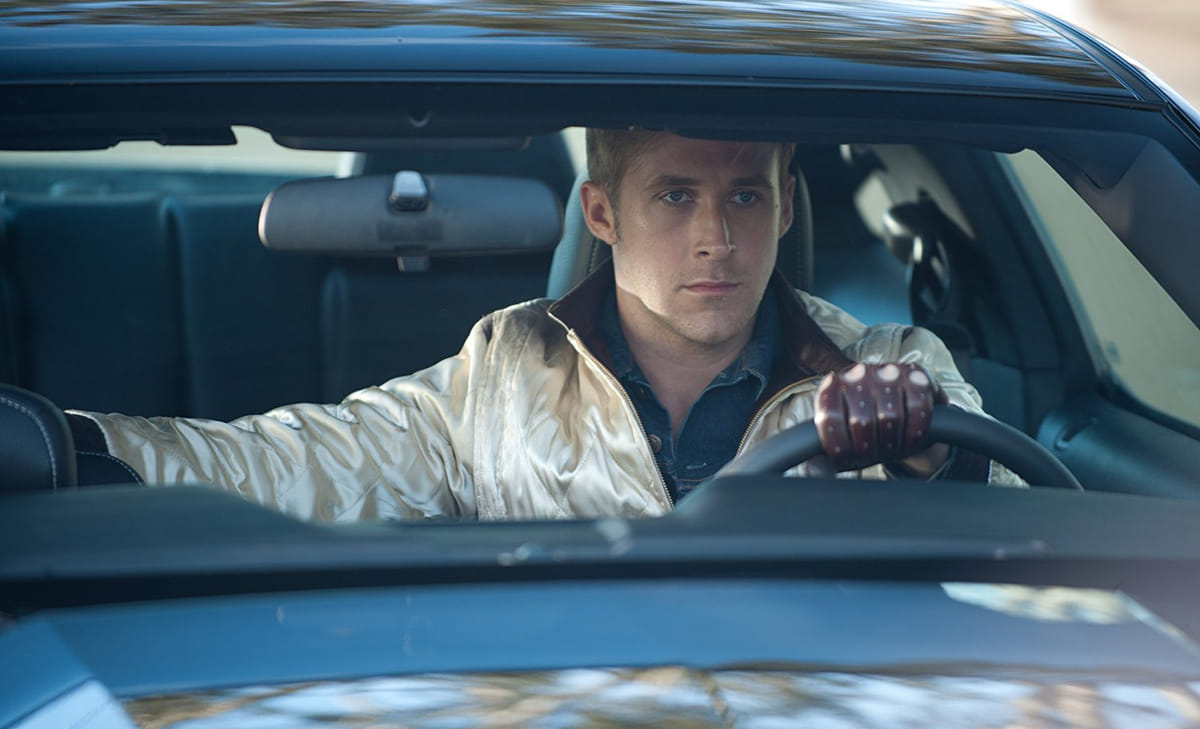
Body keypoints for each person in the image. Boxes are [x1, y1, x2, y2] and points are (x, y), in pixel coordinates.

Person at [66, 129, 1020, 522]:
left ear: (787, 204)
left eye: (745, 195)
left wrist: (925, 451)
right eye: (675, 196)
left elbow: (1024, 510)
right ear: (601, 214)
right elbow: (294, 461)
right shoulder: (506, 371)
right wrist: (68, 448)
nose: (716, 238)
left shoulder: (886, 365)